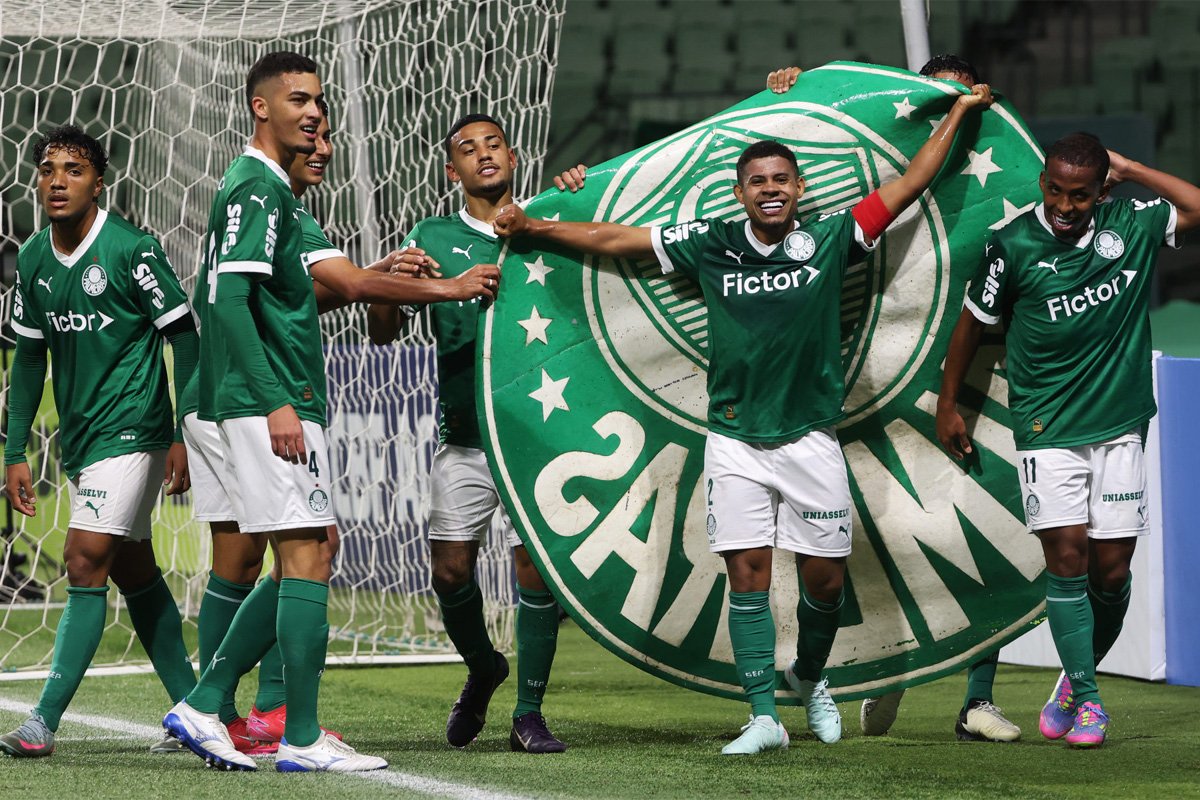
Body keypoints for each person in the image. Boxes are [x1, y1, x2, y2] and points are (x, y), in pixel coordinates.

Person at [492, 87, 995, 754]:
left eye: (781, 179)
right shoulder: (711, 242)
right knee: (748, 575)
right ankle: (763, 717)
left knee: (825, 582)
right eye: (757, 181)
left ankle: (808, 676)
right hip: (732, 437)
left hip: (812, 436)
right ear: (740, 192)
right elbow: (617, 239)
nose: (770, 189)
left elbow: (911, 183)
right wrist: (535, 230)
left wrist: (958, 115)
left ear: (798, 186)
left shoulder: (831, 235)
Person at [181, 102, 494, 758]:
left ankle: (229, 706)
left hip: (258, 394)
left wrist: (384, 274)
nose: (322, 140)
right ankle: (261, 721)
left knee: (309, 548)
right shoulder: (258, 189)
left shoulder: (289, 207)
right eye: (309, 123)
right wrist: (454, 287)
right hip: (257, 395)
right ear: (267, 113)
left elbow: (340, 285)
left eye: (326, 128)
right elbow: (230, 302)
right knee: (284, 555)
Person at [766, 53, 1022, 746]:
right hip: (869, 364)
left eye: (953, 101)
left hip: (968, 364)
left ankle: (977, 698)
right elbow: (775, 159)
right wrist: (797, 90)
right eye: (930, 101)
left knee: (978, 529)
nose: (939, 112)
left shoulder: (1002, 156)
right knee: (871, 534)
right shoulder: (875, 142)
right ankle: (886, 671)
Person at [938, 132, 1200, 748]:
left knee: (1112, 573)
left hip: (1118, 426)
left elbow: (1195, 205)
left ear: (1099, 189)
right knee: (1066, 560)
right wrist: (950, 404)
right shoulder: (1012, 245)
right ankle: (1089, 700)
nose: (1064, 204)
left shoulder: (1130, 225)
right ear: (1043, 183)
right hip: (1046, 428)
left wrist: (1133, 167)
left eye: (1078, 194)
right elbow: (971, 325)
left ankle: (1069, 680)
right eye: (1055, 189)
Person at [367, 113, 585, 754]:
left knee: (533, 573)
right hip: (462, 439)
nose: (483, 155)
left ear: (513, 157)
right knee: (451, 571)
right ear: (450, 170)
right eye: (467, 148)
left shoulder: (548, 222)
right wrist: (392, 287)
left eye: (493, 144)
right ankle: (485, 668)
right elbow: (383, 331)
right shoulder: (431, 236)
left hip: (538, 433)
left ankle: (529, 713)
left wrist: (579, 188)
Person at [0, 124, 198, 758]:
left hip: (134, 427)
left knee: (84, 560)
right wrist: (14, 451)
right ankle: (194, 711)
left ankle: (42, 723)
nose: (57, 181)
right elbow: (29, 362)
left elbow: (184, 335)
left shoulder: (132, 250)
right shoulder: (32, 257)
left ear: (98, 182)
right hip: (84, 439)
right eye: (48, 168)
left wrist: (179, 432)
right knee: (135, 570)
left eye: (74, 170)